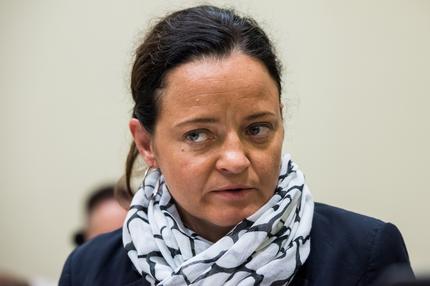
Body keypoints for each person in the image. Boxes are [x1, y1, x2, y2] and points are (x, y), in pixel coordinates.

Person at [59, 5, 414, 286]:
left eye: (257, 128)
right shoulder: (89, 271)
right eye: (198, 135)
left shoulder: (365, 253)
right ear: (147, 143)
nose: (235, 159)